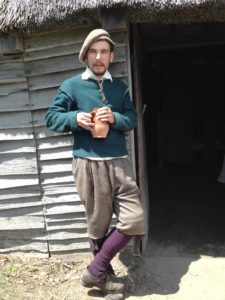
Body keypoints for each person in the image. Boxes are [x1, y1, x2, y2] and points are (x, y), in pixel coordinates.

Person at [45, 28, 145, 299]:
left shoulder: (120, 88)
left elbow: (132, 119)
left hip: (119, 162)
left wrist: (115, 119)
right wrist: (75, 118)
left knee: (134, 219)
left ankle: (95, 269)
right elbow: (51, 118)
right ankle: (104, 276)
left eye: (104, 52)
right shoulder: (72, 86)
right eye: (93, 51)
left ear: (112, 56)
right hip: (88, 164)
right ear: (85, 56)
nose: (99, 57)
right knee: (98, 224)